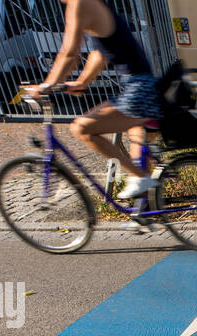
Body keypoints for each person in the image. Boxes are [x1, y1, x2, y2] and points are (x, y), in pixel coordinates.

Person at [29, 0, 164, 200]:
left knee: (81, 128)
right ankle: (145, 210)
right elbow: (100, 53)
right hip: (140, 85)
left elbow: (69, 53)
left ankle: (141, 177)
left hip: (139, 89)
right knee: (136, 141)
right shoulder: (97, 4)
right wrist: (82, 82)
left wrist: (46, 86)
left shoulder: (80, 3)